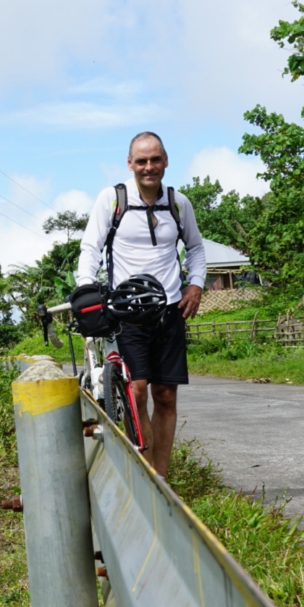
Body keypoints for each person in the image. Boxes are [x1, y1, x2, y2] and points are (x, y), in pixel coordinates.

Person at [77, 132, 206, 477]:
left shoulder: (179, 203)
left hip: (170, 309)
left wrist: (195, 284)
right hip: (127, 310)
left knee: (165, 395)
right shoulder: (113, 199)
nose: (149, 167)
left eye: (155, 159)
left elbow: (195, 247)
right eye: (142, 161)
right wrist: (86, 288)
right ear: (130, 163)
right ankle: (145, 473)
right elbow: (90, 248)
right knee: (136, 392)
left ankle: (160, 478)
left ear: (166, 161)